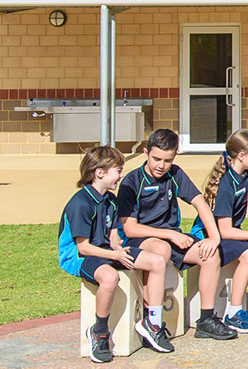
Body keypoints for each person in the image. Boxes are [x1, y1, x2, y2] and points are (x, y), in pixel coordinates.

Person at [117, 129, 237, 341]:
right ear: (145, 153)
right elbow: (130, 228)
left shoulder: (175, 173)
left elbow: (200, 202)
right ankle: (151, 321)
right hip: (141, 239)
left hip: (171, 237)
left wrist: (214, 237)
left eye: (167, 160)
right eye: (156, 159)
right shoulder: (131, 181)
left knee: (210, 254)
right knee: (161, 249)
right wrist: (169, 235)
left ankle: (206, 320)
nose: (161, 165)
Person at [59, 146, 169, 362]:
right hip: (80, 257)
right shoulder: (80, 203)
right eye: (118, 171)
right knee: (110, 277)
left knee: (156, 261)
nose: (121, 176)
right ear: (100, 173)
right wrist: (115, 256)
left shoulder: (111, 200)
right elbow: (83, 247)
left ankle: (152, 322)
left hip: (106, 252)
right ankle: (99, 332)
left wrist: (118, 249)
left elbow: (113, 236)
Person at [197, 129, 248, 334]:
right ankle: (233, 314)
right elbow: (224, 231)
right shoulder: (226, 184)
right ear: (241, 156)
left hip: (232, 232)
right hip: (214, 236)